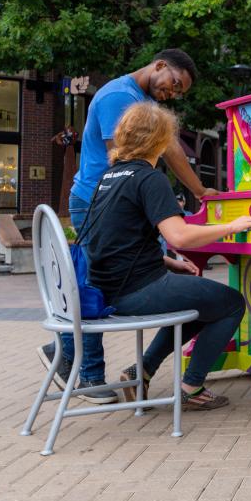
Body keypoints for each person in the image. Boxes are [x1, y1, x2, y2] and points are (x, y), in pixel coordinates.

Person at [38, 49, 219, 403]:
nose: (172, 93)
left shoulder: (141, 100)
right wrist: (152, 199)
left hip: (107, 198)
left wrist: (198, 191)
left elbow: (170, 150)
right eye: (174, 84)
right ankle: (88, 375)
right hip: (96, 200)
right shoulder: (120, 96)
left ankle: (63, 349)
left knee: (101, 277)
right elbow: (121, 156)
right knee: (95, 282)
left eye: (178, 93)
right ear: (160, 66)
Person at [87, 102, 251, 409]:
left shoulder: (109, 177)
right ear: (162, 140)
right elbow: (178, 235)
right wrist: (230, 226)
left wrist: (169, 262)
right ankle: (192, 386)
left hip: (108, 288)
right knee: (231, 303)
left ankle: (141, 372)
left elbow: (115, 241)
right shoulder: (149, 178)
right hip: (135, 291)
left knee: (202, 302)